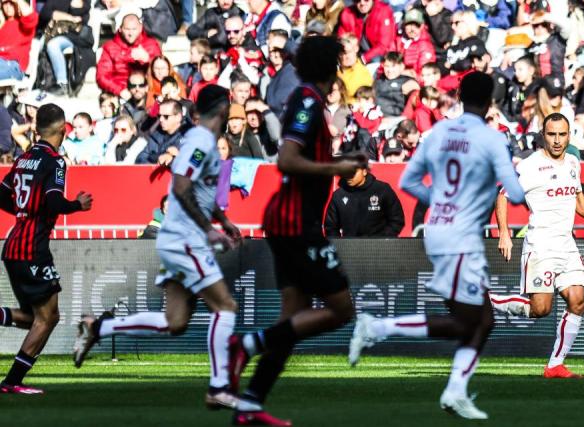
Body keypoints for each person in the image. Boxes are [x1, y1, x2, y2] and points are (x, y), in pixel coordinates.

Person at [348, 72, 526, 419]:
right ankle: (376, 328)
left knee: (483, 320)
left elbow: (408, 181)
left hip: (439, 230)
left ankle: (455, 392)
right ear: (491, 103)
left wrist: (442, 203)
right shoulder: (491, 139)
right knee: (468, 323)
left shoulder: (439, 132)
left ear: (459, 96)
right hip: (461, 237)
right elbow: (516, 194)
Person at [73, 85, 243, 411]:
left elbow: (201, 191)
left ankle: (99, 327)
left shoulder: (199, 141)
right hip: (185, 239)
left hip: (179, 237)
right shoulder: (200, 142)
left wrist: (224, 221)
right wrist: (208, 229)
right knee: (225, 307)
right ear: (222, 109)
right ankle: (219, 387)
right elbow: (180, 187)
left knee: (175, 322)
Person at [226, 36, 365, 426]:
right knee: (342, 309)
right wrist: (338, 168)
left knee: (293, 317)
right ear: (332, 68)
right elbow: (287, 160)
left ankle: (251, 405)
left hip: (292, 220)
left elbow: (304, 158)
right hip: (295, 223)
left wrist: (336, 161)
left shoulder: (310, 101)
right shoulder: (306, 101)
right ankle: (247, 343)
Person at [489, 112, 584, 379]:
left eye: (562, 134)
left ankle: (555, 364)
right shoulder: (530, 166)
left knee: (578, 301)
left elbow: (577, 195)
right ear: (543, 135)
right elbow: (503, 197)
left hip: (567, 245)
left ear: (569, 136)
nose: (556, 140)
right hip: (541, 246)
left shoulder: (574, 162)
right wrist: (504, 234)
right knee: (540, 309)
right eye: (551, 134)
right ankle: (488, 300)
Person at [0, 103, 93, 394]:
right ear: (64, 129)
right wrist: (77, 205)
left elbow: (2, 194)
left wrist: (23, 209)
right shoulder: (55, 162)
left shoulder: (24, 157)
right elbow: (53, 201)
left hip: (13, 245)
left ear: (36, 128)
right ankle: (13, 382)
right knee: (48, 317)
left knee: (35, 316)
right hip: (32, 248)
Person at [96, 8, 162, 98]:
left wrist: (148, 60)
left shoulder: (151, 45)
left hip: (146, 92)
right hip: (120, 93)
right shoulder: (110, 47)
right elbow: (102, 76)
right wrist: (120, 90)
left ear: (140, 28)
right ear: (120, 29)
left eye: (134, 29)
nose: (130, 33)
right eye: (127, 29)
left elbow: (163, 72)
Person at [324, 167, 405, 237]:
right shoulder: (338, 195)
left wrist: (383, 240)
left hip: (379, 249)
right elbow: (330, 227)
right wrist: (340, 247)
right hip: (350, 249)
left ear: (364, 171)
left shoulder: (382, 190)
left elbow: (397, 219)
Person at [135, 100, 191, 165]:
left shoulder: (191, 135)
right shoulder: (156, 135)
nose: (161, 119)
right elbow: (140, 158)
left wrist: (177, 158)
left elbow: (197, 162)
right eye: (159, 116)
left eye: (166, 116)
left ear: (178, 117)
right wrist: (155, 164)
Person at [0, 0, 37, 80]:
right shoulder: (3, 24)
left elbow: (29, 15)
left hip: (13, 66)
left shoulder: (24, 23)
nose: (8, 6)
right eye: (5, 3)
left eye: (12, 3)